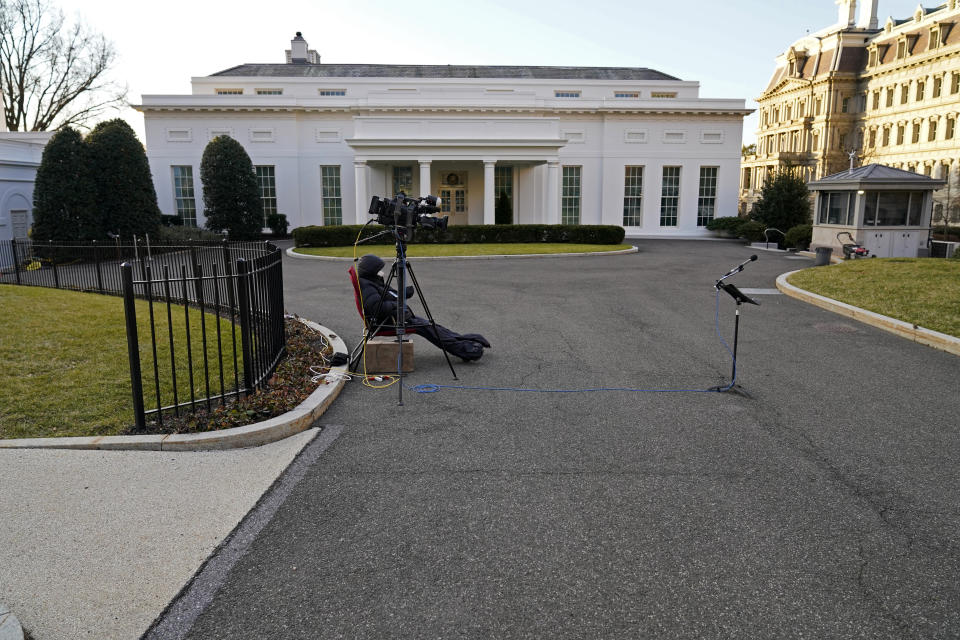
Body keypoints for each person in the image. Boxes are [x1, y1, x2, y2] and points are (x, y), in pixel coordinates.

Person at [354, 254, 490, 361]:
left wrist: (403, 294)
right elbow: (376, 307)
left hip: (397, 317)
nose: (381, 272)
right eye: (379, 269)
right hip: (388, 323)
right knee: (429, 329)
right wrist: (398, 305)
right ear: (371, 271)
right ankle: (468, 351)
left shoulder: (372, 281)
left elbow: (388, 295)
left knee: (434, 326)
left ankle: (467, 340)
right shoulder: (367, 285)